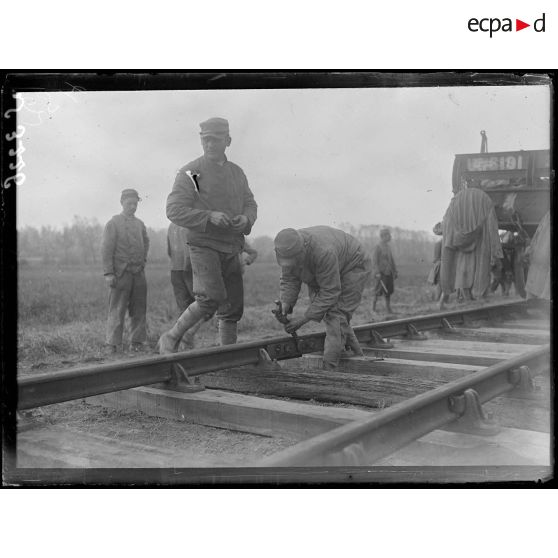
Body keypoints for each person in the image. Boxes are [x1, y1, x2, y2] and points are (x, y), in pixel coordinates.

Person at [159, 117, 258, 353]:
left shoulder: (237, 173)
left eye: (216, 140)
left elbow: (250, 203)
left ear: (228, 140)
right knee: (209, 297)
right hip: (203, 244)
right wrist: (208, 216)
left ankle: (226, 358)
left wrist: (246, 219)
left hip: (232, 245)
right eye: (206, 140)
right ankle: (171, 338)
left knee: (232, 306)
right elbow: (173, 210)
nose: (210, 145)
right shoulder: (191, 172)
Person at [274, 226, 372, 370]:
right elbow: (290, 278)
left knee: (336, 315)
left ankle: (329, 369)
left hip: (354, 264)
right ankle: (358, 354)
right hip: (326, 269)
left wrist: (304, 318)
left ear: (303, 250)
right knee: (337, 318)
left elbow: (330, 291)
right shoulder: (287, 247)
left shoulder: (324, 251)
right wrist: (286, 303)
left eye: (294, 260)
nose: (291, 264)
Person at [102, 188, 150, 353]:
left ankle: (137, 342)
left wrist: (142, 261)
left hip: (138, 274)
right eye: (129, 203)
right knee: (117, 308)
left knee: (139, 309)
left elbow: (146, 242)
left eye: (135, 204)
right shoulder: (113, 223)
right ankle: (112, 344)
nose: (132, 207)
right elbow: (106, 249)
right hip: (120, 274)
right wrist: (108, 273)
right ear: (122, 203)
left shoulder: (140, 224)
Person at [439, 188, 502, 309]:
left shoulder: (455, 203)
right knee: (476, 268)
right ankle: (475, 297)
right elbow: (492, 230)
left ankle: (460, 299)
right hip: (478, 249)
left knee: (462, 272)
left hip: (460, 249)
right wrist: (495, 252)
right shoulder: (485, 202)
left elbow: (445, 224)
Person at [167, 222, 194, 313]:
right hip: (190, 268)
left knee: (182, 305)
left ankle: (183, 326)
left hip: (175, 268)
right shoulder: (190, 223)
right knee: (196, 304)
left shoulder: (171, 226)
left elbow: (169, 251)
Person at [525, 211, 550, 300]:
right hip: (535, 272)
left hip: (545, 283)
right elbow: (538, 234)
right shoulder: (547, 216)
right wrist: (531, 249)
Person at [372, 228, 398, 313]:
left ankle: (388, 308)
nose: (390, 237)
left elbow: (391, 260)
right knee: (377, 291)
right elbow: (374, 261)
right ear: (383, 236)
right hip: (381, 273)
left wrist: (395, 271)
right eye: (388, 235)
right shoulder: (377, 246)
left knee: (388, 291)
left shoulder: (388, 247)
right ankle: (373, 309)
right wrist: (377, 272)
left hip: (388, 272)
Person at [427, 222, 443, 301]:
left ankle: (442, 300)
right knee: (440, 284)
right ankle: (437, 300)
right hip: (441, 266)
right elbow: (436, 258)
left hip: (448, 265)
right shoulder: (439, 243)